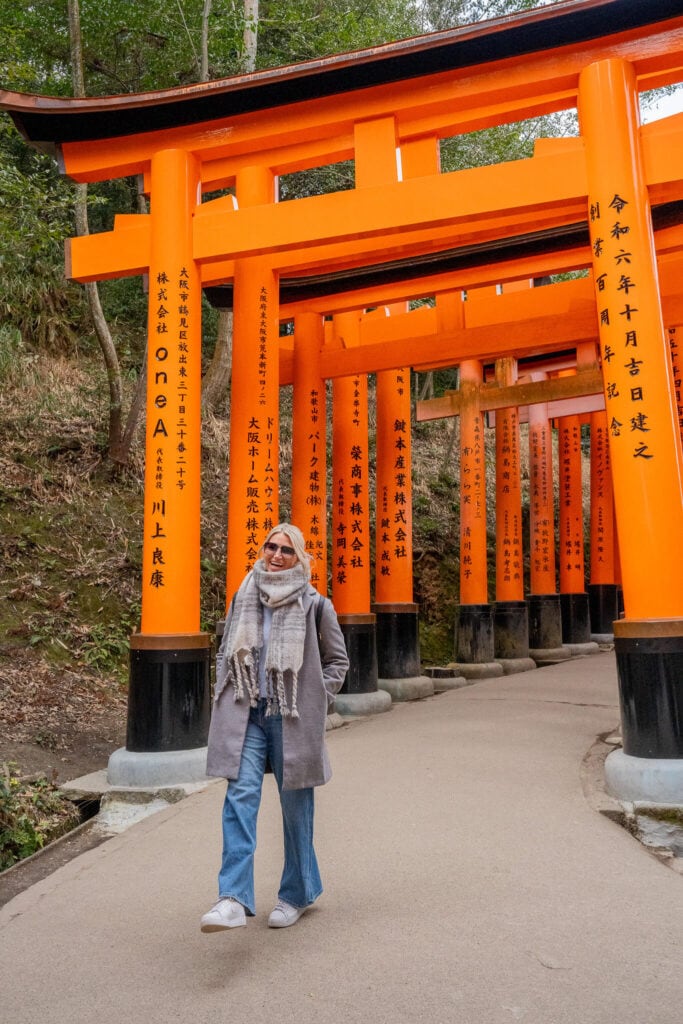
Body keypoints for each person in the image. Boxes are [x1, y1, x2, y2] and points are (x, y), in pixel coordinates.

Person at [201, 523, 349, 932]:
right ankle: (232, 897)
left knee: (295, 809)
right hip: (248, 712)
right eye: (271, 546)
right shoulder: (244, 594)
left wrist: (319, 697)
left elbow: (338, 662)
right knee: (239, 796)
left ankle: (296, 893)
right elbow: (226, 650)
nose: (276, 554)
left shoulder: (315, 604)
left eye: (286, 550)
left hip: (292, 717)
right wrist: (223, 688)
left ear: (299, 557)